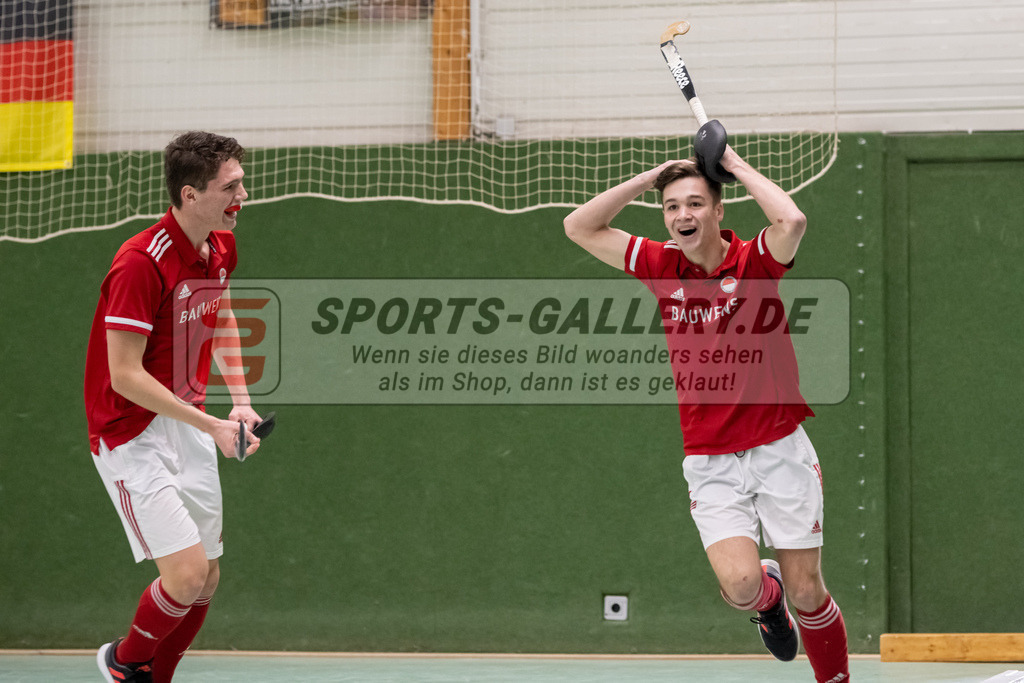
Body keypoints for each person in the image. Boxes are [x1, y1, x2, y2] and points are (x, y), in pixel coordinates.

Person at [563, 146, 849, 683]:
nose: (682, 215)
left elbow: (792, 219)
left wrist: (734, 165)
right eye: (671, 207)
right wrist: (654, 176)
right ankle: (768, 601)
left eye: (695, 203)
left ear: (720, 211)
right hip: (711, 459)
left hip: (778, 447)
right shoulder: (659, 264)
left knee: (809, 591)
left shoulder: (755, 263)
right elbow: (579, 225)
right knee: (741, 587)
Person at [84, 131, 262, 682]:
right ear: (190, 194)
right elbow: (125, 376)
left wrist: (239, 404)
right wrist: (208, 423)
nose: (243, 195)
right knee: (183, 576)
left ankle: (154, 678)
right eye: (230, 187)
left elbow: (224, 319)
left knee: (207, 576)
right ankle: (123, 665)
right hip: (130, 432)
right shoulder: (140, 263)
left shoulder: (221, 246)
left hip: (187, 418)